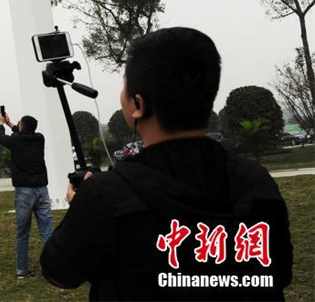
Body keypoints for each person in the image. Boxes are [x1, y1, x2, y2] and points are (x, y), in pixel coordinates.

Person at [40, 27, 294, 300]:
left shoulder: (106, 196)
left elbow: (60, 272)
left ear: (138, 104)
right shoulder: (257, 180)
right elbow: (281, 272)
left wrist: (83, 207)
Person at [0, 111, 53, 279]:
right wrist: (10, 124)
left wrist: (1, 124)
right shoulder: (39, 138)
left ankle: (22, 270)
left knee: (23, 233)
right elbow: (21, 133)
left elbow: (0, 138)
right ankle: (53, 268)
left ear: (22, 126)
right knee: (47, 232)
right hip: (42, 189)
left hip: (24, 191)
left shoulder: (15, 140)